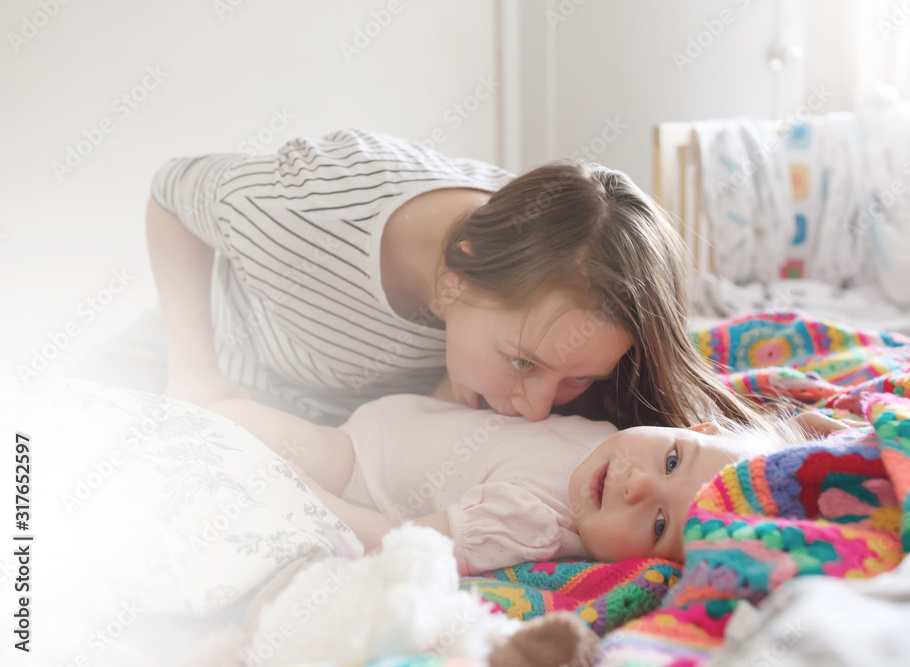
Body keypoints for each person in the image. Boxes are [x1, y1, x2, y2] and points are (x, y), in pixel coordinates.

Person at [148, 128, 768, 429]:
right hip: (214, 372)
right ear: (453, 279)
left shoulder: (556, 263)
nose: (537, 411)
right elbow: (171, 192)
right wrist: (194, 371)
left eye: (578, 376)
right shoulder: (298, 213)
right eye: (524, 363)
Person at [208, 394, 835, 574]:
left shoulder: (531, 524)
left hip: (355, 467)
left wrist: (293, 488)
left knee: (226, 425)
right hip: (379, 420)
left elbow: (397, 542)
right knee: (225, 414)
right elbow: (804, 434)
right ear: (690, 427)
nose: (638, 486)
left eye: (660, 525)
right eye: (672, 461)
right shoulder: (611, 439)